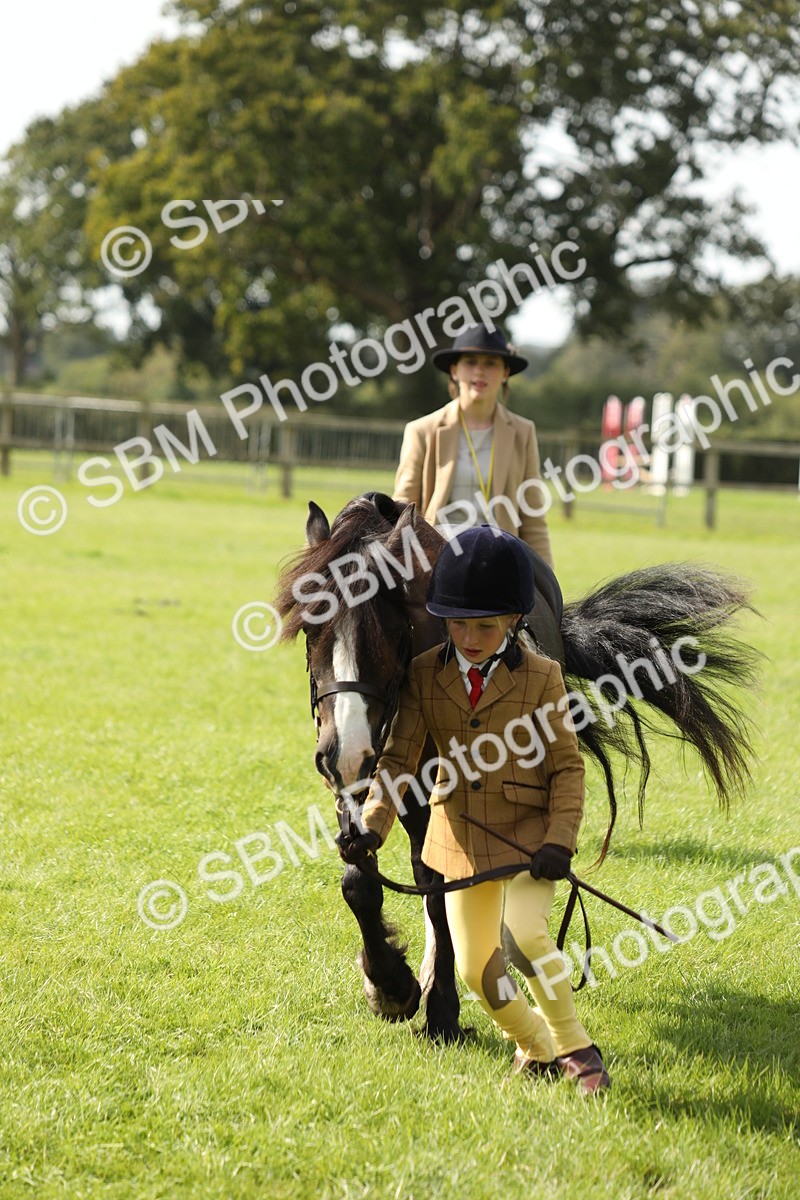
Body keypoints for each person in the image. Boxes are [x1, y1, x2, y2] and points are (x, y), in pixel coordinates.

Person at [337, 525, 610, 1094]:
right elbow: (399, 761)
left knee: (526, 934)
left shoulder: (543, 677)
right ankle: (533, 1044)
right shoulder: (424, 674)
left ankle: (576, 1048)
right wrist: (372, 826)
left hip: (530, 839)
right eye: (458, 624)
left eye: (485, 626)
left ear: (513, 620)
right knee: (474, 970)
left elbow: (567, 767)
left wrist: (559, 840)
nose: (469, 637)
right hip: (460, 840)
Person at [393, 324, 554, 568]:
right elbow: (402, 512)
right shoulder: (421, 431)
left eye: (491, 363)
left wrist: (547, 580)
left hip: (501, 561)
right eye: (470, 362)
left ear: (505, 373)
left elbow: (533, 520)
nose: (480, 370)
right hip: (436, 563)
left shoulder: (524, 432)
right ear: (454, 370)